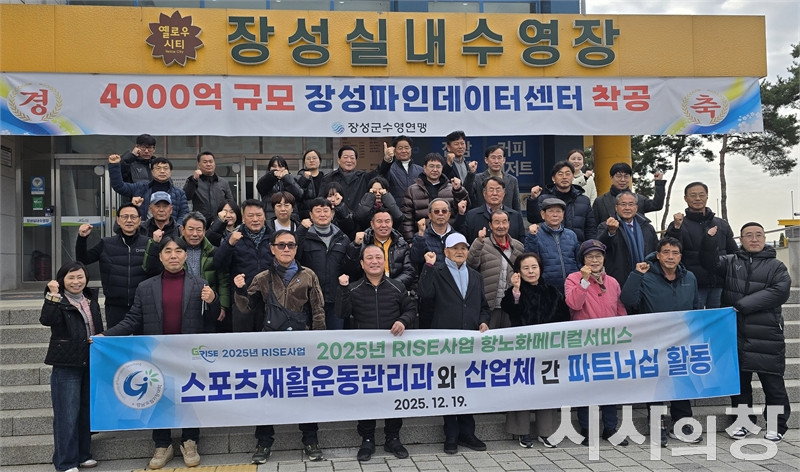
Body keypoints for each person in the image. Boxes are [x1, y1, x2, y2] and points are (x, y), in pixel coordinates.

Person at [100, 238, 220, 469]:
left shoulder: (200, 284)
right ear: (160, 257)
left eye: (178, 251)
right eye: (168, 251)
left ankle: (190, 441)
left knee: (188, 397)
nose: (173, 255)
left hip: (188, 354)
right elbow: (133, 319)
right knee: (158, 398)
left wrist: (213, 301)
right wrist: (106, 335)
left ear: (185, 255)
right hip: (157, 354)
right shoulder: (146, 287)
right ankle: (162, 444)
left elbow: (211, 319)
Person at [233, 230, 326, 463]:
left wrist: (318, 341)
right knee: (267, 393)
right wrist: (240, 290)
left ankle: (311, 440)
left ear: (296, 249)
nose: (286, 249)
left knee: (304, 392)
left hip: (302, 343)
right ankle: (263, 443)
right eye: (281, 245)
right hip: (271, 344)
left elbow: (318, 310)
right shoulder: (262, 278)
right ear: (272, 248)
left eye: (291, 245)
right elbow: (246, 307)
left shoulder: (308, 275)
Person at [701, 222, 792, 442]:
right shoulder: (731, 262)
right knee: (740, 384)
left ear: (764, 238)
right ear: (740, 240)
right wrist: (709, 241)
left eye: (759, 235)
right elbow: (708, 262)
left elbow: (780, 292)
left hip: (766, 334)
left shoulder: (776, 266)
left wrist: (743, 305)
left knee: (773, 384)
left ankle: (777, 426)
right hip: (736, 332)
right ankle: (742, 423)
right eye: (748, 235)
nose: (754, 239)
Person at [620, 237, 702, 447]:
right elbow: (628, 300)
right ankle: (657, 427)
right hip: (653, 341)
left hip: (681, 340)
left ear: (680, 257)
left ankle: (683, 425)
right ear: (658, 255)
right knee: (656, 386)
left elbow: (696, 306)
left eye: (675, 253)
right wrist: (636, 275)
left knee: (682, 383)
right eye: (666, 252)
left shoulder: (689, 277)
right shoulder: (646, 276)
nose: (670, 257)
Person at [336, 245, 415, 462]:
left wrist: (403, 321)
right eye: (369, 258)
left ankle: (393, 438)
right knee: (367, 398)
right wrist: (342, 289)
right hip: (365, 357)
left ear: (384, 261)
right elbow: (341, 313)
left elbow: (411, 310)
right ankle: (367, 440)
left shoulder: (397, 287)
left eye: (378, 257)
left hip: (393, 354)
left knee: (393, 395)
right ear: (362, 264)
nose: (374, 261)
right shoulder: (353, 288)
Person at [417, 233, 490, 454]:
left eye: (463, 248)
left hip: (470, 342)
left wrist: (484, 321)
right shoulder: (437, 271)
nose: (460, 251)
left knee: (467, 386)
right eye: (455, 248)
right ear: (446, 251)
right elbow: (424, 294)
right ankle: (451, 434)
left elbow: (483, 306)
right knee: (449, 387)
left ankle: (468, 432)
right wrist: (428, 267)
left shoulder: (475, 276)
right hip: (445, 342)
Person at [501, 253, 570, 449]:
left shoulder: (552, 292)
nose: (531, 271)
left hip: (548, 350)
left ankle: (546, 431)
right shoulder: (514, 292)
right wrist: (516, 290)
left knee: (547, 389)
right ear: (518, 272)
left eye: (534, 267)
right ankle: (521, 431)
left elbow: (563, 318)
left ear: (540, 269)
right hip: (522, 349)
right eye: (526, 268)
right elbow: (510, 310)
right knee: (522, 388)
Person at [564, 240, 628, 446]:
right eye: (589, 256)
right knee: (586, 387)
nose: (594, 260)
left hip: (609, 343)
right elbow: (573, 304)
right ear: (583, 260)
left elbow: (619, 309)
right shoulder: (573, 279)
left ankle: (610, 428)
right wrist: (584, 282)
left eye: (598, 256)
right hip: (584, 343)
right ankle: (587, 428)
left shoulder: (613, 282)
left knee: (610, 386)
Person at [41, 261, 103, 472]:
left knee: (85, 412)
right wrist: (52, 294)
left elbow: (96, 326)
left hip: (89, 361)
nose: (76, 282)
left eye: (80, 277)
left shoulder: (90, 299)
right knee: (66, 414)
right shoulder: (58, 300)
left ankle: (83, 454)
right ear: (62, 280)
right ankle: (66, 462)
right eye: (71, 277)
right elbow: (46, 320)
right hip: (66, 364)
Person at [142, 212, 230, 333]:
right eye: (191, 229)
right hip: (181, 304)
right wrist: (154, 244)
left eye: (199, 230)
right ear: (182, 230)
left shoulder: (213, 252)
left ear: (204, 231)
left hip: (206, 304)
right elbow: (150, 268)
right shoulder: (174, 251)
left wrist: (222, 305)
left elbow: (223, 280)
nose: (195, 234)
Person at [75, 203, 149, 330]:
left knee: (142, 341)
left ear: (140, 220)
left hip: (141, 304)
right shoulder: (106, 243)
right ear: (118, 220)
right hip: (115, 305)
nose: (129, 220)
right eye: (125, 216)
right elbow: (83, 259)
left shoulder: (148, 243)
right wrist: (82, 238)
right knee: (116, 340)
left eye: (133, 217)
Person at [665, 182, 737, 308]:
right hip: (692, 285)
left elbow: (734, 253)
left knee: (718, 319)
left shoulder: (722, 224)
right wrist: (676, 229)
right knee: (693, 319)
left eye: (701, 195)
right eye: (693, 195)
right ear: (685, 198)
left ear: (707, 197)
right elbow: (670, 251)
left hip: (720, 284)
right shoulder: (678, 224)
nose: (697, 198)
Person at [214, 199, 274, 332]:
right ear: (243, 218)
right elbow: (219, 264)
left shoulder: (274, 238)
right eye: (250, 215)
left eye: (258, 215)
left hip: (270, 300)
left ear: (264, 216)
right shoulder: (234, 237)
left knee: (269, 341)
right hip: (242, 298)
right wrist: (229, 244)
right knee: (242, 341)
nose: (255, 219)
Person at [296, 198, 352, 330]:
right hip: (309, 299)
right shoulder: (303, 236)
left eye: (326, 211)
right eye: (318, 211)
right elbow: (295, 258)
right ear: (311, 214)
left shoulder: (343, 238)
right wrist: (300, 232)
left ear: (332, 214)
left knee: (335, 338)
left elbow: (349, 267)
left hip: (335, 299)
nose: (322, 214)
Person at [409, 199, 465, 328]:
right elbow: (416, 258)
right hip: (430, 294)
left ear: (449, 214)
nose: (440, 214)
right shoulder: (421, 235)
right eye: (436, 211)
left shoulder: (457, 237)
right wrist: (420, 234)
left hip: (453, 292)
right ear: (429, 215)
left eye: (444, 211)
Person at [467, 210, 525, 328]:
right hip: (489, 305)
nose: (501, 226)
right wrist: (478, 242)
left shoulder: (518, 247)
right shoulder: (482, 244)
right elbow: (471, 264)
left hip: (510, 304)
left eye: (504, 222)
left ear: (509, 224)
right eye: (497, 222)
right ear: (490, 225)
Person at [400, 153, 468, 242]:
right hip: (422, 238)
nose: (435, 170)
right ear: (424, 168)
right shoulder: (412, 190)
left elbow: (464, 207)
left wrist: (458, 190)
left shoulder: (452, 188)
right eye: (431, 166)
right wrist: (410, 241)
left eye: (438, 166)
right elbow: (407, 219)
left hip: (448, 238)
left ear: (442, 168)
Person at [597, 190, 658, 288]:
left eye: (631, 204)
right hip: (618, 280)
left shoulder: (647, 227)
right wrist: (611, 232)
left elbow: (655, 252)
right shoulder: (606, 226)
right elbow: (601, 248)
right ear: (616, 207)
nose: (627, 208)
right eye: (623, 204)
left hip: (647, 279)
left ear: (636, 208)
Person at [345, 208, 415, 290]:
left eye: (387, 221)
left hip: (394, 289)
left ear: (392, 223)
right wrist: (355, 246)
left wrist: (392, 285)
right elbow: (351, 269)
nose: (384, 225)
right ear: (372, 224)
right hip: (367, 289)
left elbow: (409, 272)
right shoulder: (362, 242)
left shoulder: (401, 244)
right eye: (379, 221)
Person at [528, 161, 597, 243]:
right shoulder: (544, 199)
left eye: (568, 174)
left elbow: (590, 229)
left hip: (578, 246)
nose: (564, 177)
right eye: (560, 174)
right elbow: (533, 219)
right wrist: (533, 199)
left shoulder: (584, 200)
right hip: (550, 246)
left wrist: (591, 246)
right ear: (553, 178)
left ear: (573, 176)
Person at [108, 153, 189, 223]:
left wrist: (176, 229)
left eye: (165, 168)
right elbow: (119, 186)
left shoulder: (179, 193)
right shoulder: (140, 187)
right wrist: (114, 166)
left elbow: (184, 214)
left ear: (170, 172)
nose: (162, 171)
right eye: (158, 168)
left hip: (170, 232)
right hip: (144, 232)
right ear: (152, 171)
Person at [524, 198, 580, 294]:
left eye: (558, 211)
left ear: (563, 214)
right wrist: (532, 237)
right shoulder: (535, 235)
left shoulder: (571, 235)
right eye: (551, 211)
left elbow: (579, 261)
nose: (555, 215)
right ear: (543, 214)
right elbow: (530, 259)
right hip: (547, 289)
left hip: (572, 287)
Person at [320, 145, 393, 212]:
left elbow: (379, 172)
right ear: (338, 160)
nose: (349, 160)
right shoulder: (329, 178)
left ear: (356, 161)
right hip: (336, 218)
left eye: (352, 158)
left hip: (359, 218)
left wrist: (386, 160)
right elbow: (321, 201)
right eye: (345, 157)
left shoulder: (363, 177)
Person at [458, 176, 526, 243]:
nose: (495, 193)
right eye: (491, 190)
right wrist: (460, 215)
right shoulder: (471, 216)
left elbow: (522, 242)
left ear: (504, 194)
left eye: (498, 190)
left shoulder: (515, 216)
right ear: (484, 193)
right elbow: (461, 239)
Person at [592, 162, 664, 224]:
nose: (623, 180)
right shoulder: (600, 201)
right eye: (619, 176)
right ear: (611, 178)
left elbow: (657, 205)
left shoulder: (639, 199)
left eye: (626, 176)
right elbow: (594, 226)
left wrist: (659, 183)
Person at [182, 151, 235, 225]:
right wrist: (194, 180)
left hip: (220, 222)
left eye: (211, 161)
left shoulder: (223, 182)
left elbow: (231, 203)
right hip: (200, 223)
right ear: (199, 165)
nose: (208, 164)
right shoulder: (193, 180)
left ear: (214, 163)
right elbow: (186, 196)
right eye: (205, 162)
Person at [470, 145, 520, 212]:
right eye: (493, 158)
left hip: (506, 217)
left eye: (499, 158)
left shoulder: (512, 180)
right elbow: (468, 193)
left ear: (504, 160)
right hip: (483, 216)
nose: (496, 161)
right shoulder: (477, 178)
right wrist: (471, 173)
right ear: (486, 160)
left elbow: (516, 205)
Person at [256, 155, 304, 220]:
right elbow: (260, 186)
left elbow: (299, 194)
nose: (278, 169)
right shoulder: (265, 180)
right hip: (270, 218)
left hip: (290, 219)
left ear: (285, 168)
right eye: (274, 166)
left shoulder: (292, 180)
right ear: (269, 168)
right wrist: (272, 175)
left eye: (281, 166)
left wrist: (286, 178)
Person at [385, 135, 424, 201]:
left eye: (406, 148)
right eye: (400, 148)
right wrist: (387, 160)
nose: (403, 151)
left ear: (411, 149)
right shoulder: (389, 169)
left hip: (416, 206)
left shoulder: (420, 170)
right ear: (394, 150)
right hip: (396, 206)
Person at [296, 149, 325, 220]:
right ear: (304, 162)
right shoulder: (298, 178)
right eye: (308, 159)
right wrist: (304, 180)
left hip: (324, 216)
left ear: (320, 161)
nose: (311, 160)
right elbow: (297, 196)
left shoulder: (326, 178)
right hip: (305, 218)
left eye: (314, 158)